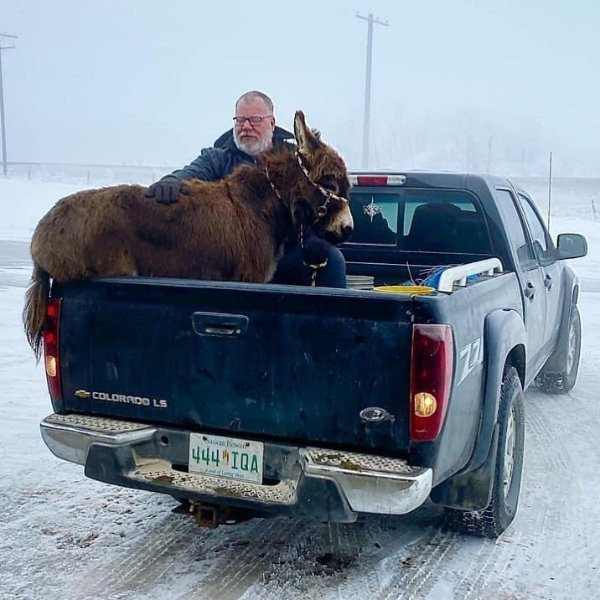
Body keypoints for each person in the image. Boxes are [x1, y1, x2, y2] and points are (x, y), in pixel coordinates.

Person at [145, 90, 346, 288]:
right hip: (233, 259)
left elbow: (321, 202)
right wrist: (171, 181)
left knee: (333, 261)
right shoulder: (217, 159)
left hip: (284, 253)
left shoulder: (297, 162)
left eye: (255, 120)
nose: (246, 127)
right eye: (240, 120)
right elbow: (190, 173)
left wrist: (317, 238)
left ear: (272, 123)